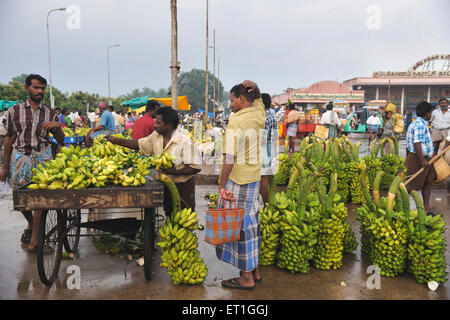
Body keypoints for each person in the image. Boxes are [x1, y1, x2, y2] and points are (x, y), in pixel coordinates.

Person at [0, 74, 64, 251]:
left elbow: (61, 139)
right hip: (19, 157)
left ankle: (36, 239)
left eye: (42, 88)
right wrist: (4, 167)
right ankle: (31, 223)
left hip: (42, 157)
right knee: (20, 199)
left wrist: (56, 127)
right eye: (36, 87)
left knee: (40, 200)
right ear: (27, 88)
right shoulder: (14, 111)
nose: (40, 91)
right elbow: (9, 139)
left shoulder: (51, 113)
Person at [105, 107, 202, 214]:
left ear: (169, 125)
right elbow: (138, 144)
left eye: (158, 123)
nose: (155, 125)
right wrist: (116, 140)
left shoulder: (184, 141)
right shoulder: (156, 136)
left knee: (184, 217)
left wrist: (174, 172)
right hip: (166, 185)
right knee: (169, 214)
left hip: (183, 187)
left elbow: (195, 167)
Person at [217, 80, 265, 290]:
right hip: (254, 177)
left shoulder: (236, 121)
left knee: (240, 227)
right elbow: (260, 101)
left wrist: (221, 184)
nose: (231, 104)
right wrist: (257, 87)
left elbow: (230, 157)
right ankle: (254, 269)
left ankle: (246, 277)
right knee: (252, 222)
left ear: (242, 99)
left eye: (233, 100)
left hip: (239, 179)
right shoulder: (259, 114)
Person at [405, 101, 437, 215]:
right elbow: (416, 143)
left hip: (426, 158)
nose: (431, 114)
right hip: (419, 159)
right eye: (431, 112)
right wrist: (422, 160)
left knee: (427, 183)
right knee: (415, 185)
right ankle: (414, 211)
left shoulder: (422, 124)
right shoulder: (419, 125)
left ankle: (426, 209)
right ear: (427, 113)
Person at [260, 93, 278, 205]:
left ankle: (266, 205)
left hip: (263, 149)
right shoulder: (272, 116)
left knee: (263, 180)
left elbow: (263, 139)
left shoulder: (263, 117)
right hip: (270, 148)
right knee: (264, 178)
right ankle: (266, 204)